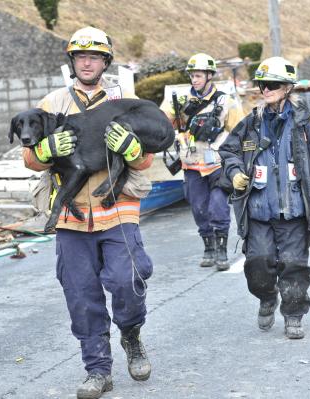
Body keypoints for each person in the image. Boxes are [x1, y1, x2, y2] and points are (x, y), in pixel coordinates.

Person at [22, 27, 154, 399]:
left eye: (94, 57)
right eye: (80, 56)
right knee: (81, 294)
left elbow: (146, 160)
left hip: (119, 210)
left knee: (129, 279)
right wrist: (47, 148)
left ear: (105, 62)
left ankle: (131, 334)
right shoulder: (51, 103)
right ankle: (98, 370)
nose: (87, 62)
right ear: (72, 62)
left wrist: (130, 148)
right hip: (71, 215)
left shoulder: (125, 100)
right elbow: (30, 159)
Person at [219, 56, 310, 339]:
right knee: (257, 264)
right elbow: (228, 152)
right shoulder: (251, 123)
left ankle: (294, 315)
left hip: (294, 211)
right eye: (262, 84)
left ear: (287, 88)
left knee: (294, 265)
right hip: (259, 211)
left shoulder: (305, 123)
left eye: (272, 84)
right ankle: (267, 296)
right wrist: (235, 172)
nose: (266, 89)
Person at [160, 53, 244, 271]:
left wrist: (239, 162)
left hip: (217, 164)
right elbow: (160, 121)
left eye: (198, 75)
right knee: (198, 208)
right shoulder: (178, 101)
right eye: (192, 76)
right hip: (191, 165)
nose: (194, 79)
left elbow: (240, 132)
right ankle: (208, 246)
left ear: (209, 76)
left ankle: (222, 250)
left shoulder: (226, 101)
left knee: (218, 206)